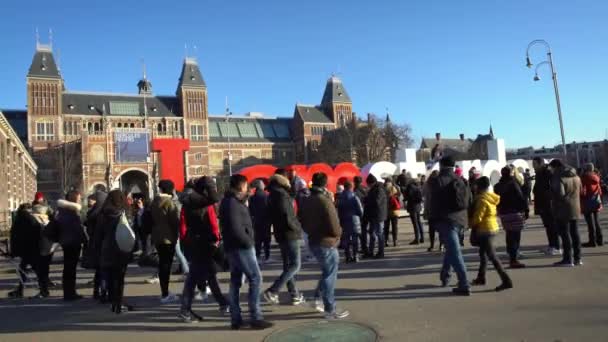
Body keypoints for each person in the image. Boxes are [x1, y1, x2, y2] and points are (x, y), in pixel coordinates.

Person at [220, 174, 273, 330]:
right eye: (246, 186)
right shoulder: (232, 203)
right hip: (241, 247)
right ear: (241, 185)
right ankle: (255, 316)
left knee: (236, 281)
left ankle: (236, 318)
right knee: (255, 278)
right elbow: (236, 228)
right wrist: (249, 242)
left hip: (235, 246)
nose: (247, 188)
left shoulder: (232, 201)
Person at [299, 172, 349, 319]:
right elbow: (334, 224)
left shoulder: (307, 200)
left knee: (326, 272)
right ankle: (330, 308)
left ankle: (317, 299)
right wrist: (339, 233)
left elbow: (301, 218)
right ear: (325, 184)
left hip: (314, 239)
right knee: (329, 275)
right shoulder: (324, 200)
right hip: (327, 241)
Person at [179, 176, 228, 323]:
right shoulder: (205, 204)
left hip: (194, 241)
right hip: (206, 242)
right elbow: (213, 222)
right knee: (194, 277)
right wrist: (217, 239)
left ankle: (223, 303)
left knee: (209, 274)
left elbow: (184, 223)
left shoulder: (187, 202)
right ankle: (185, 310)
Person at [428, 156, 471, 295]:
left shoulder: (436, 181)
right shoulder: (461, 180)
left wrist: (432, 219)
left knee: (454, 250)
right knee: (451, 248)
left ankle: (464, 283)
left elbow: (432, 201)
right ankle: (445, 276)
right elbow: (468, 200)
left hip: (445, 219)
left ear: (441, 165)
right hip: (460, 219)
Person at [264, 171, 305, 306]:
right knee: (295, 265)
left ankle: (294, 294)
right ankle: (273, 290)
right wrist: (297, 227)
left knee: (288, 266)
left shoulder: (271, 196)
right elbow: (288, 216)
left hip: (280, 233)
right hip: (289, 233)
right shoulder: (282, 195)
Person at [469, 177, 513, 292]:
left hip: (485, 230)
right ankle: (481, 277)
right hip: (492, 227)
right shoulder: (490, 197)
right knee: (483, 254)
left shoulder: (481, 200)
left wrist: (469, 224)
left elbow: (478, 217)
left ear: (478, 187)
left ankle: (506, 280)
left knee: (492, 256)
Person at [94, 189, 134, 314]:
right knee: (119, 277)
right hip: (122, 248)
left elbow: (98, 235)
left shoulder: (103, 214)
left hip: (107, 249)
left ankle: (112, 300)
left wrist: (97, 249)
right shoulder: (124, 213)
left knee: (110, 275)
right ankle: (118, 302)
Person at [8, 203, 49, 299]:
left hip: (27, 250)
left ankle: (43, 290)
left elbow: (15, 237)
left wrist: (14, 252)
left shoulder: (20, 220)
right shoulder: (32, 219)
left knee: (29, 270)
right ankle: (22, 289)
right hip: (33, 249)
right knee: (27, 269)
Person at [150, 180, 181, 303]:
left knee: (162, 264)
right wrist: (177, 233)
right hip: (168, 238)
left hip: (157, 236)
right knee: (166, 266)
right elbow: (175, 221)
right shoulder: (168, 203)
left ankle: (164, 292)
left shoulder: (154, 202)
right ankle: (165, 293)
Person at [549, 159, 583, 267]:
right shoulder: (576, 176)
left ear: (555, 167)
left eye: (551, 168)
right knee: (575, 233)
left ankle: (568, 259)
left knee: (565, 234)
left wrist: (551, 195)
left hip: (562, 209)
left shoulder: (558, 177)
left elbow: (559, 194)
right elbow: (581, 191)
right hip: (576, 207)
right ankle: (578, 258)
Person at [494, 166, 528, 269]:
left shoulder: (497, 186)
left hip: (504, 213)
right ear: (510, 173)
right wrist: (526, 210)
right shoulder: (513, 184)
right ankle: (514, 258)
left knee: (509, 234)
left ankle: (511, 254)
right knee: (516, 235)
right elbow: (521, 197)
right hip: (515, 212)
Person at [56, 190, 85, 301]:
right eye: (79, 199)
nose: (81, 200)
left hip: (66, 241)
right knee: (70, 269)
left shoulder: (63, 211)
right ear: (74, 199)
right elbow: (76, 229)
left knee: (68, 269)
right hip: (72, 242)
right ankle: (70, 293)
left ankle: (69, 292)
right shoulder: (72, 212)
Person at [532, 157, 561, 255]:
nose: (533, 166)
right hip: (542, 204)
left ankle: (556, 246)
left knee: (552, 226)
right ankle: (551, 245)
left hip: (548, 204)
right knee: (548, 226)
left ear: (540, 164)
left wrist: (547, 196)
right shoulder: (539, 173)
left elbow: (551, 188)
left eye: (534, 164)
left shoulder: (547, 172)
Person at [84, 190, 108, 301]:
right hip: (102, 244)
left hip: (94, 244)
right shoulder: (102, 214)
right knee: (103, 270)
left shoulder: (92, 213)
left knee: (99, 270)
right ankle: (103, 293)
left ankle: (96, 291)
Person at [337, 180, 364, 263]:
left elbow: (338, 209)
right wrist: (360, 216)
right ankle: (355, 256)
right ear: (351, 187)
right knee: (355, 239)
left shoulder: (340, 197)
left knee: (346, 239)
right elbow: (360, 210)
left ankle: (348, 256)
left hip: (344, 220)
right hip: (354, 219)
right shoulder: (354, 197)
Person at [364, 174, 388, 259]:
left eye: (368, 184)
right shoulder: (374, 189)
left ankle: (381, 252)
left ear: (371, 183)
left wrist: (367, 200)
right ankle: (371, 251)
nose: (368, 186)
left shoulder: (379, 190)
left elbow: (376, 202)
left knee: (379, 233)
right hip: (375, 215)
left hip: (378, 215)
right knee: (373, 233)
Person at [580, 163, 603, 247]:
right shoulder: (596, 176)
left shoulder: (584, 177)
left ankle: (592, 241)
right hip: (596, 201)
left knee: (590, 223)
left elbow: (582, 191)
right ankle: (600, 240)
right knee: (597, 221)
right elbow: (599, 190)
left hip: (587, 202)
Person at [248, 180, 271, 262]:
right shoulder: (267, 196)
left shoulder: (252, 198)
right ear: (262, 186)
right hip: (266, 221)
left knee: (258, 240)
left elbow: (250, 210)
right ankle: (267, 256)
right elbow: (269, 209)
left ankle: (257, 256)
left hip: (256, 221)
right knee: (266, 240)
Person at [424, 170, 442, 252]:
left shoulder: (427, 184)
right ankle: (441, 245)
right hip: (439, 209)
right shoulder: (441, 183)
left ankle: (432, 245)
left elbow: (425, 197)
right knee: (441, 229)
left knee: (431, 229)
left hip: (431, 209)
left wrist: (426, 211)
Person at [405, 178, 425, 245]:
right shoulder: (418, 187)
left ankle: (417, 239)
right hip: (418, 206)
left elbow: (408, 196)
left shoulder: (410, 187)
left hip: (412, 206)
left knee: (415, 223)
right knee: (419, 222)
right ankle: (422, 238)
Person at [353, 176, 369, 256]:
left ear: (355, 182)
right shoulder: (365, 188)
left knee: (361, 232)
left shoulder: (356, 190)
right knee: (365, 231)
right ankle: (366, 247)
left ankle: (364, 248)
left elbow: (356, 203)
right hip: (366, 211)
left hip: (360, 213)